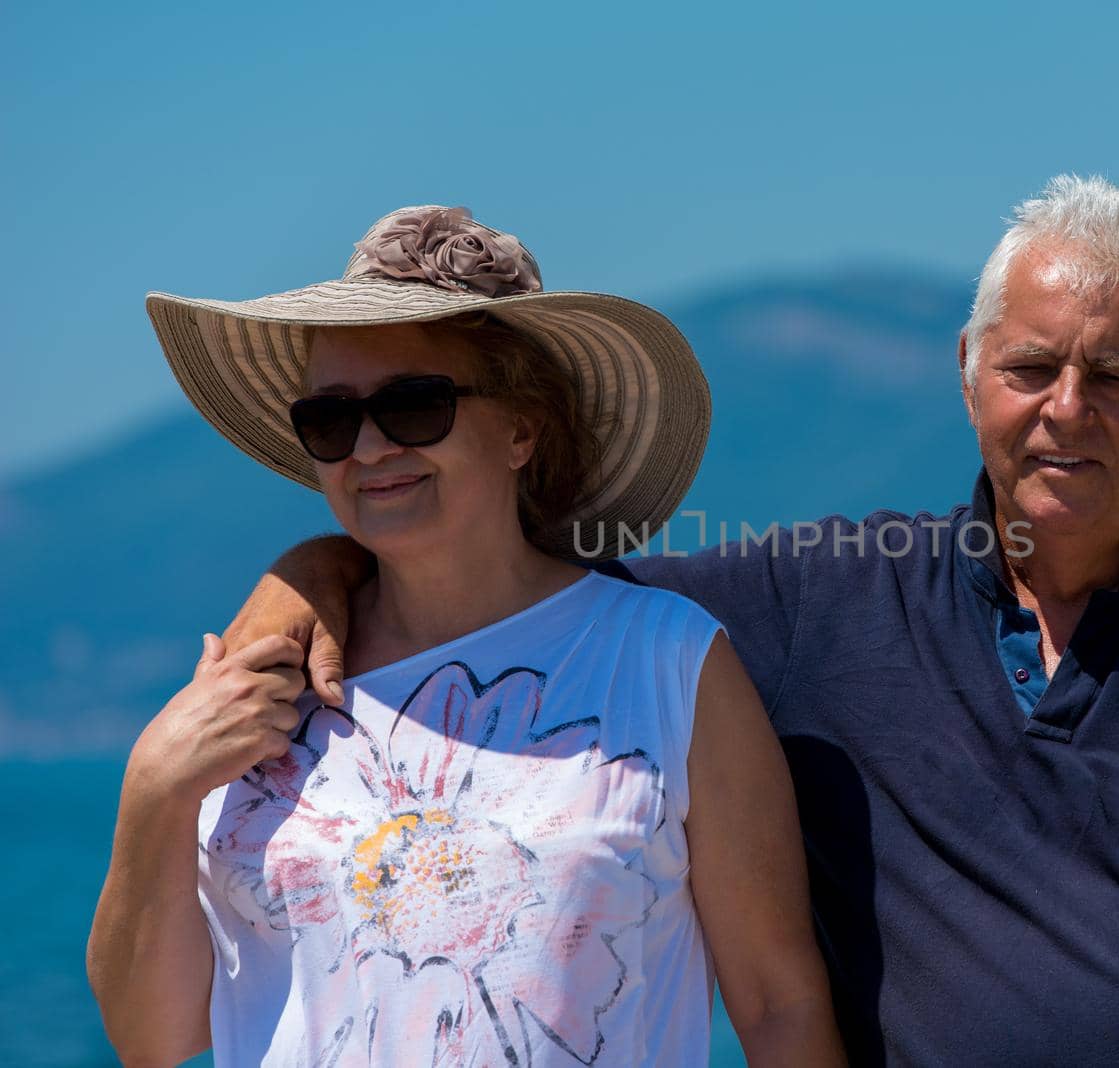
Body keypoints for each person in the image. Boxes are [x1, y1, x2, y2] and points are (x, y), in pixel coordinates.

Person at [219, 178, 1119, 1065]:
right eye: (1030, 367)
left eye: (1116, 377)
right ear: (968, 379)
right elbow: (514, 574)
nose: (1067, 407)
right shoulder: (810, 601)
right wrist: (316, 567)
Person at [86, 206, 845, 1067]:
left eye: (415, 405)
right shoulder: (262, 687)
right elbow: (153, 1038)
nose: (369, 447)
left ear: (523, 429)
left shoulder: (668, 661)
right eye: (330, 421)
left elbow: (780, 1005)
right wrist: (154, 790)